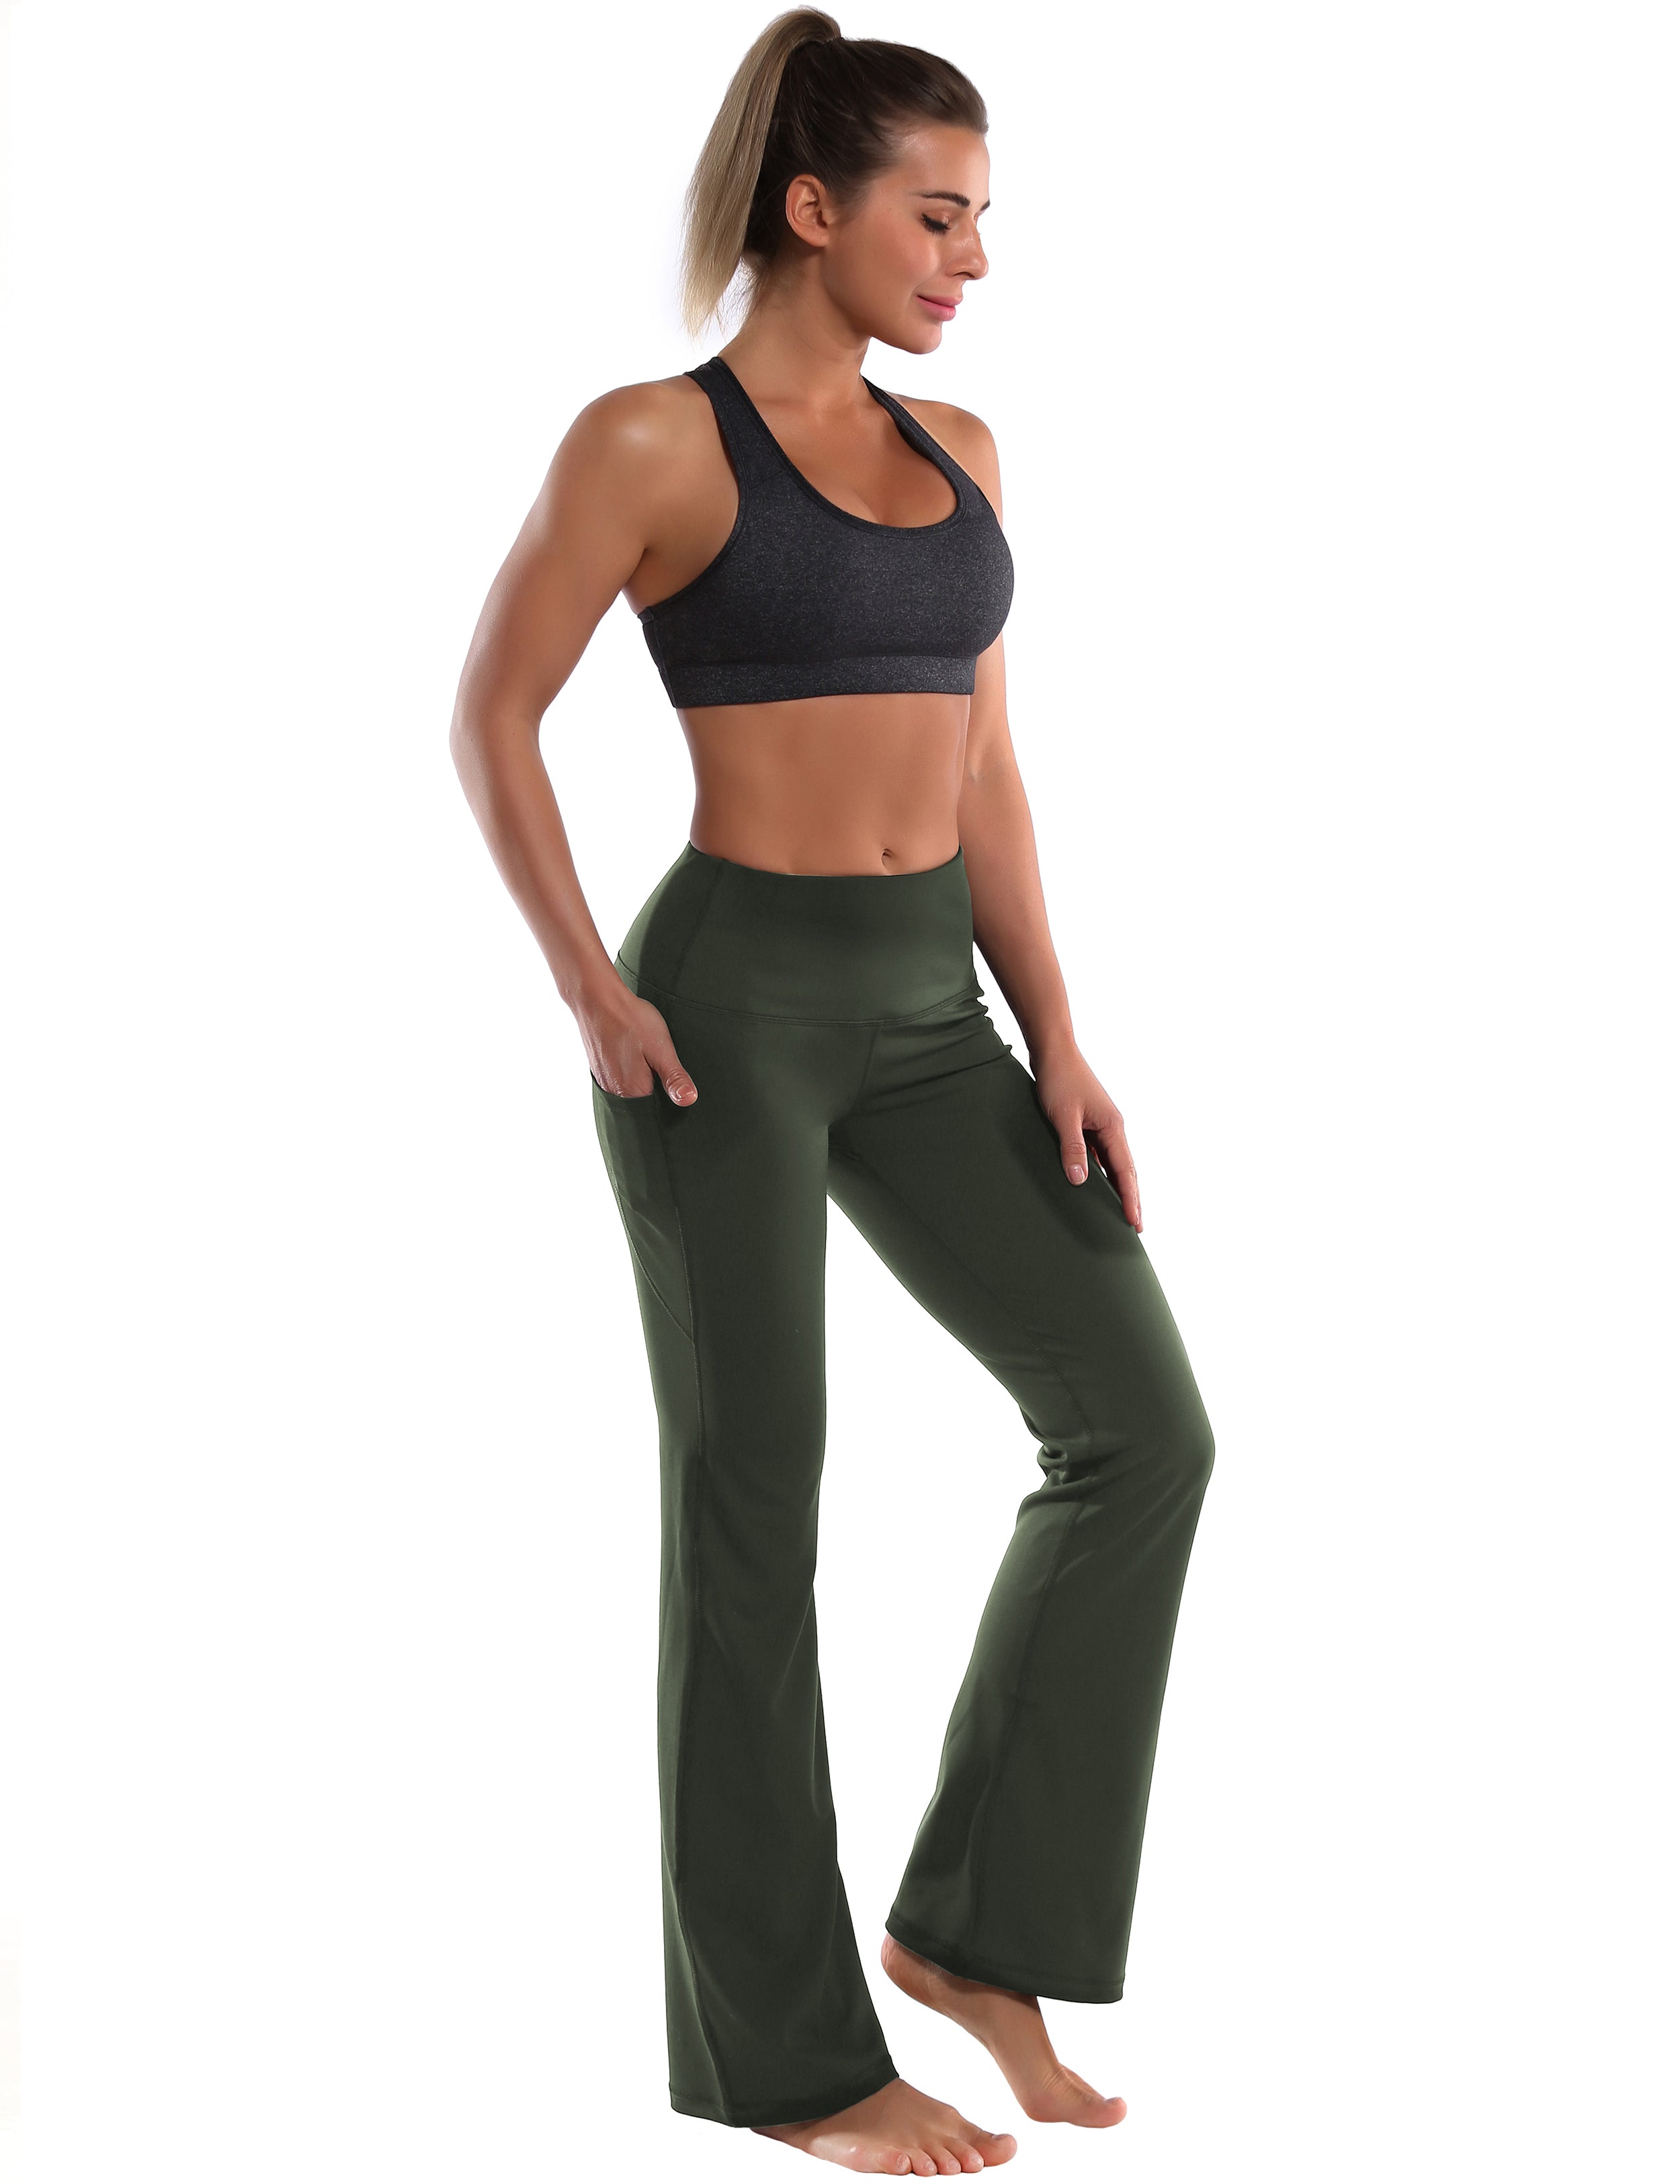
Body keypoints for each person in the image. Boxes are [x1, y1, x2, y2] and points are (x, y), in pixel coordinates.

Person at [450, 11, 1215, 2174]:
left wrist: (1054, 1028)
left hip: (931, 1014)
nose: (971, 260)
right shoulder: (649, 442)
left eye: (981, 221)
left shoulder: (964, 448)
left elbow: (987, 768)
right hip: (729, 1012)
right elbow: (492, 714)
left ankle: (976, 1934)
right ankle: (786, 2060)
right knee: (750, 1500)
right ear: (815, 207)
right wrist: (591, 986)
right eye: (936, 216)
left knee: (1140, 1428)